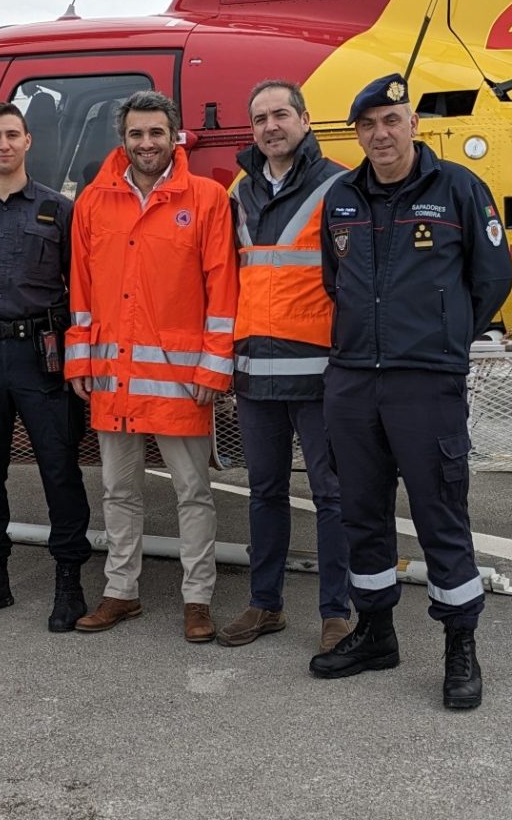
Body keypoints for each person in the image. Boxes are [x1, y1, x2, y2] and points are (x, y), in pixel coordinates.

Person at [308, 73, 512, 710]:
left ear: (413, 123)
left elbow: (493, 278)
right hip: (352, 382)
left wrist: (443, 337)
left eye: (390, 119)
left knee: (440, 516)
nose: (379, 134)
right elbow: (334, 279)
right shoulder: (342, 197)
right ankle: (375, 633)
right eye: (367, 124)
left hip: (426, 384)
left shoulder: (458, 189)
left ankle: (460, 646)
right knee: (359, 513)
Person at [62, 90, 238, 642]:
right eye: (136, 134)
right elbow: (82, 292)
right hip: (114, 377)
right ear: (123, 139)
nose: (146, 144)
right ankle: (121, 592)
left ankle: (198, 598)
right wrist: (81, 360)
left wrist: (213, 369)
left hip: (183, 382)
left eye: (156, 133)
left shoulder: (207, 199)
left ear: (174, 136)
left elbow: (222, 290)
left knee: (193, 491)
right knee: (118, 491)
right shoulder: (93, 202)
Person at [0, 101, 92, 632]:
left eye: (12, 135)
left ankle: (69, 581)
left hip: (40, 356)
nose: (3, 144)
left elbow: (81, 287)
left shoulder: (58, 211)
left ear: (28, 142)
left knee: (59, 469)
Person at [217, 80, 353, 653]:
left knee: (332, 496)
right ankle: (265, 604)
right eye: (259, 119)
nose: (270, 126)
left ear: (303, 118)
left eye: (280, 115)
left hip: (321, 373)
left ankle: (335, 612)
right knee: (264, 493)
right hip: (255, 375)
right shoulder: (240, 192)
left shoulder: (340, 184)